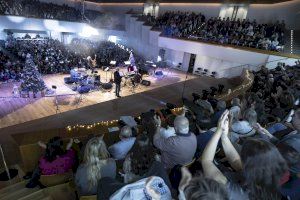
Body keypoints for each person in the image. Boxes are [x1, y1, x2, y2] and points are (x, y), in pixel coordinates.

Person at [202, 110, 288, 200]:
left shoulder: (234, 192)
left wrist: (218, 131)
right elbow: (236, 162)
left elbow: (206, 161)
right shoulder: (268, 178)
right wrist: (224, 136)